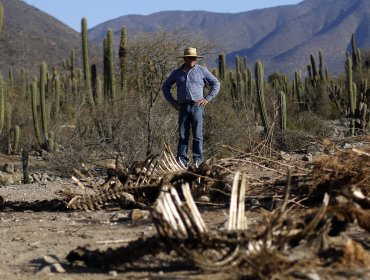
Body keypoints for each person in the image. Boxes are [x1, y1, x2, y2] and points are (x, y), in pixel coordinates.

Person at [162, 47, 220, 168]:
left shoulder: (202, 71)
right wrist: (173, 101)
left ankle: (198, 161)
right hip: (183, 107)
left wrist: (207, 99)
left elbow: (216, 83)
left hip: (197, 106)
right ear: (185, 59)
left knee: (198, 135)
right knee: (183, 135)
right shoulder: (177, 73)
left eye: (194, 58)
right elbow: (165, 86)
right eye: (190, 58)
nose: (192, 60)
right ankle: (181, 162)